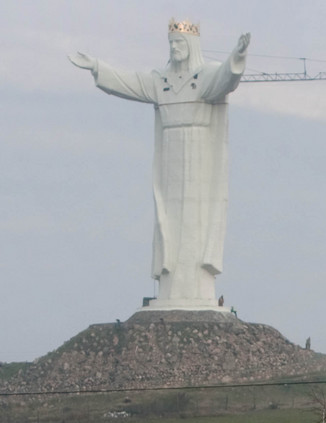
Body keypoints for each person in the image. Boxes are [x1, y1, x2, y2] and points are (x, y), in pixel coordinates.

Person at [70, 20, 251, 308]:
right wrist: (97, 67)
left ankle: (198, 290)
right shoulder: (161, 81)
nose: (175, 48)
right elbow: (129, 82)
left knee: (196, 222)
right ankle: (171, 288)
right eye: (171, 44)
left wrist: (238, 56)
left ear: (191, 46)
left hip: (199, 157)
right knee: (169, 223)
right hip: (170, 158)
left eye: (179, 43)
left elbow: (226, 79)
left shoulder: (205, 76)